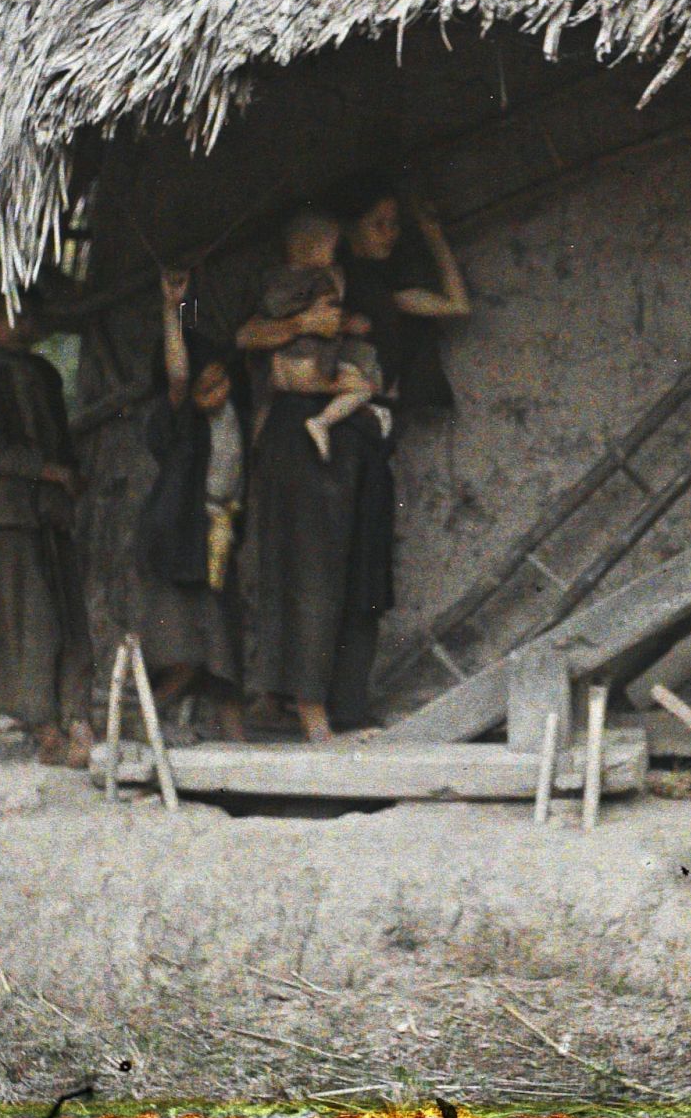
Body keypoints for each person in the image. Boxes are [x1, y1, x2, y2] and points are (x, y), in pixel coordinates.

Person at [234, 210, 394, 741]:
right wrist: (303, 328)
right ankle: (307, 707)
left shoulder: (338, 286)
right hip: (298, 445)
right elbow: (242, 340)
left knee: (345, 578)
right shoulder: (272, 294)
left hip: (343, 450)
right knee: (309, 576)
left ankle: (323, 703)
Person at [0, 280, 95, 767]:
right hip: (12, 516)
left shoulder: (45, 374)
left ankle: (75, 716)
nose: (22, 323)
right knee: (28, 620)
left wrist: (68, 478)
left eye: (28, 313)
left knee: (67, 617)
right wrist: (52, 472)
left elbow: (61, 440)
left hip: (52, 515)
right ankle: (45, 728)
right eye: (9, 313)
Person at [133, 267, 247, 739]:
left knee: (222, 653)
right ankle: (142, 724)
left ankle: (237, 739)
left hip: (216, 539)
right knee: (187, 653)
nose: (218, 393)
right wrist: (171, 310)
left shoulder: (233, 411)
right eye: (206, 389)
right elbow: (179, 374)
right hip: (179, 543)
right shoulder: (178, 418)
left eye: (221, 382)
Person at [324, 169, 470, 419]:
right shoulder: (349, 281)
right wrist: (434, 238)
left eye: (394, 224)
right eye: (378, 224)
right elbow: (457, 306)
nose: (389, 233)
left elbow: (458, 306)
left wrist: (433, 236)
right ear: (350, 228)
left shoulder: (383, 278)